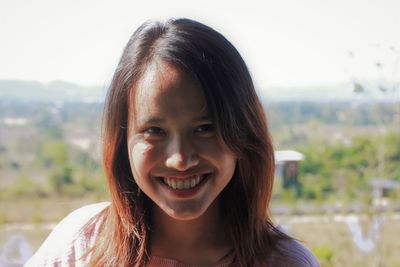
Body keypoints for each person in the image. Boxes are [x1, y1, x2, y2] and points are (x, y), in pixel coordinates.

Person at [25, 18, 319, 267]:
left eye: (204, 128)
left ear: (243, 133)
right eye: (154, 131)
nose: (180, 159)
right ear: (123, 141)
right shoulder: (83, 245)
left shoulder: (284, 261)